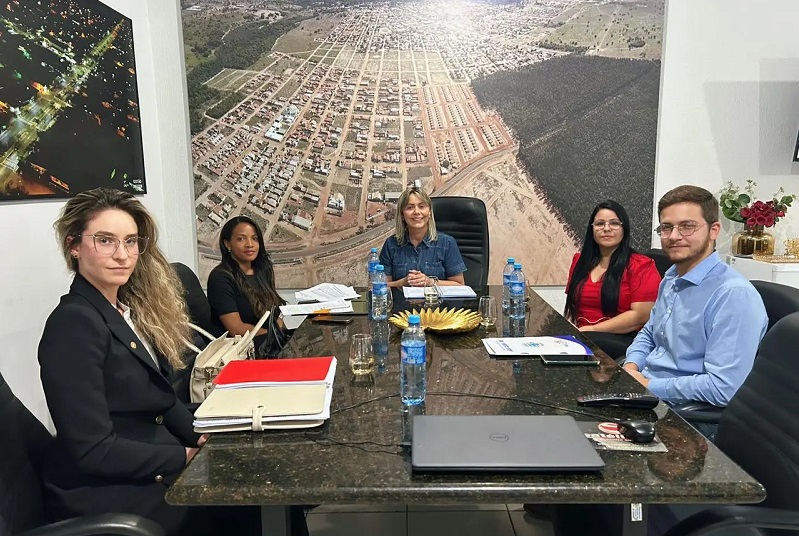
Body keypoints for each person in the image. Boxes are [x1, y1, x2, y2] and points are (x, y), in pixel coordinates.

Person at [37, 188, 307, 535]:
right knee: (260, 497)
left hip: (151, 455)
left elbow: (162, 400)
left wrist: (203, 435)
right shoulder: (73, 325)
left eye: (131, 241)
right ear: (74, 246)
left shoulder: (123, 312)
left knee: (272, 481)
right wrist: (185, 456)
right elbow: (93, 450)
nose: (122, 254)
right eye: (105, 241)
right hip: (112, 489)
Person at [623, 185, 768, 439]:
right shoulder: (672, 277)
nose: (674, 236)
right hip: (648, 394)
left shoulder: (733, 295)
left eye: (687, 226)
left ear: (714, 230)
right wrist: (631, 365)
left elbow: (723, 388)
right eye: (666, 227)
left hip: (688, 420)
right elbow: (649, 332)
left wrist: (649, 385)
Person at [564, 200, 661, 358]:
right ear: (592, 229)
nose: (606, 228)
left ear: (624, 229)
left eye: (614, 223)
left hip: (622, 341)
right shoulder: (579, 261)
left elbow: (640, 316)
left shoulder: (641, 265)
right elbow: (573, 307)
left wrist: (591, 330)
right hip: (584, 336)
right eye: (600, 224)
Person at [207, 215, 289, 356]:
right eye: (241, 239)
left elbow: (274, 313)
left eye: (254, 238)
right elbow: (236, 329)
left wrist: (281, 332)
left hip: (270, 343)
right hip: (244, 350)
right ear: (227, 244)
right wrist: (275, 334)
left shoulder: (263, 270)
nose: (249, 244)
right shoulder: (220, 278)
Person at [379, 185, 467, 287]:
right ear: (402, 214)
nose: (416, 212)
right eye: (410, 207)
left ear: (429, 212)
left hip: (436, 298)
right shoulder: (391, 244)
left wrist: (430, 282)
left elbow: (459, 284)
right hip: (401, 297)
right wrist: (402, 283)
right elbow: (380, 285)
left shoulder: (447, 243)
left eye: (421, 206)